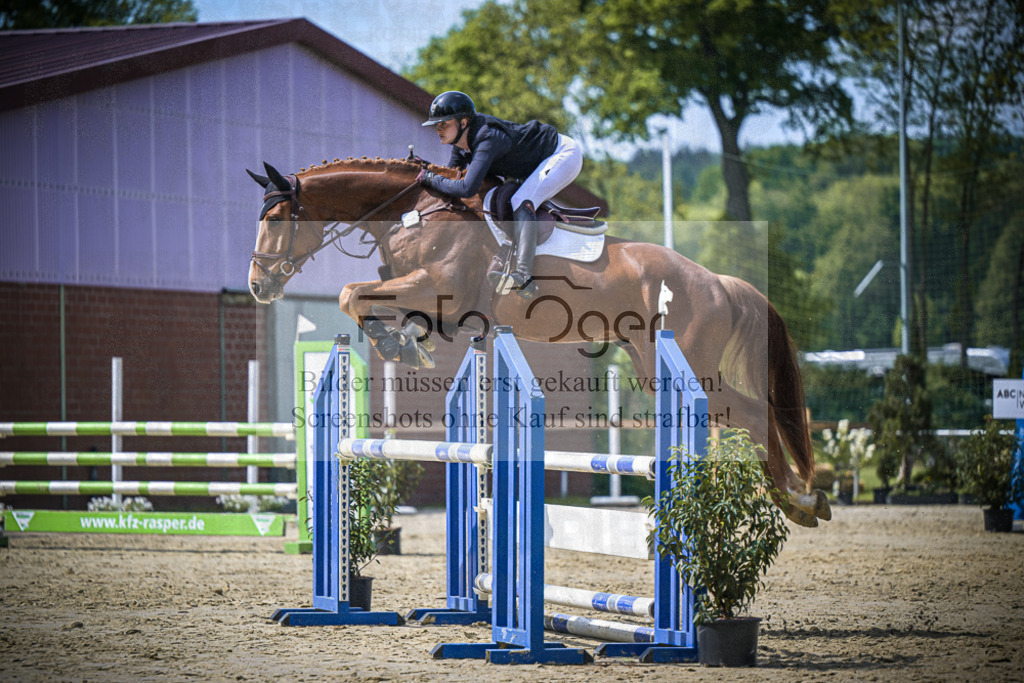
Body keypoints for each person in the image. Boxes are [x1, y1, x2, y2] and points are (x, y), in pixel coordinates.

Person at [416, 91, 583, 299]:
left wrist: (430, 178)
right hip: (535, 164)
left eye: (443, 124)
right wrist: (429, 177)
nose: (438, 129)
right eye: (436, 125)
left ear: (463, 122)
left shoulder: (486, 137)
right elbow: (450, 181)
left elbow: (465, 188)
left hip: (562, 154)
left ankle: (524, 276)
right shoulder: (460, 145)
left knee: (521, 201)